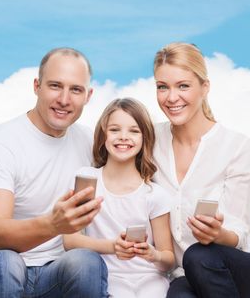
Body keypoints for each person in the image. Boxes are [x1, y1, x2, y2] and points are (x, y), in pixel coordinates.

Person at [0, 48, 108, 298]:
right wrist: (52, 224)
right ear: (37, 86)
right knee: (6, 264)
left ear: (88, 96)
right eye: (55, 86)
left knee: (86, 263)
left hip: (52, 273)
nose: (64, 99)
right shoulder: (1, 144)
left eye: (75, 90)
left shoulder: (88, 141)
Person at [152, 42, 250, 298]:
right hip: (188, 272)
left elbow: (238, 233)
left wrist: (218, 234)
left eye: (183, 86)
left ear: (205, 87)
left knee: (199, 255)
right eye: (162, 87)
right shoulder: (150, 141)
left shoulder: (236, 146)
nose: (171, 97)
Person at [64, 98, 175, 298]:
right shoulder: (87, 179)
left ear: (144, 139)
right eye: (115, 130)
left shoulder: (155, 194)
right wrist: (112, 247)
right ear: (103, 135)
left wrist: (153, 254)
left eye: (134, 131)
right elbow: (70, 240)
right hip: (108, 276)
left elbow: (168, 258)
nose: (123, 137)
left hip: (150, 278)